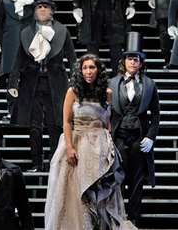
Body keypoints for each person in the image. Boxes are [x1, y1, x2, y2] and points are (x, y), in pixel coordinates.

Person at [45, 54, 136, 230]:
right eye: (85, 67)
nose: (88, 71)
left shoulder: (107, 93)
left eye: (92, 67)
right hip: (78, 143)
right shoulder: (73, 92)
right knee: (77, 192)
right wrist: (70, 147)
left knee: (102, 190)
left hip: (100, 146)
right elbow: (66, 122)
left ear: (98, 71)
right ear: (80, 71)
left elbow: (107, 122)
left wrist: (109, 147)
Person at [8, 0, 76, 172]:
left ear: (52, 11)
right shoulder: (27, 33)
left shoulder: (62, 31)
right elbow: (18, 59)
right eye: (40, 6)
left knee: (55, 124)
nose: (43, 10)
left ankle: (54, 162)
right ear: (35, 10)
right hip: (33, 83)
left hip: (57, 83)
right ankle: (37, 163)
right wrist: (13, 82)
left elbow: (72, 58)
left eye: (46, 6)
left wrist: (75, 83)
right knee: (34, 125)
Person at [109, 32, 160, 227]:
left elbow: (155, 113)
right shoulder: (113, 83)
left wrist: (150, 136)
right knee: (119, 179)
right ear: (124, 61)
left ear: (140, 63)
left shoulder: (149, 84)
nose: (132, 62)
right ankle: (120, 218)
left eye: (136, 59)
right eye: (129, 58)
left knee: (137, 181)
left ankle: (134, 219)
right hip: (119, 137)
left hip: (139, 138)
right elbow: (108, 113)